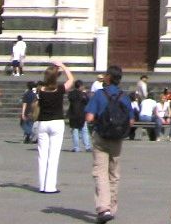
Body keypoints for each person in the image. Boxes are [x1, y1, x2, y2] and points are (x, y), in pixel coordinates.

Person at [85, 65, 130, 224]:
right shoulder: (124, 96)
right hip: (117, 139)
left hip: (101, 137)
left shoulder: (99, 94)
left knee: (100, 172)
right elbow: (130, 120)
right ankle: (112, 207)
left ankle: (104, 208)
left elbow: (89, 118)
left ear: (109, 77)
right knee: (114, 174)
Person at [34, 61, 75, 194]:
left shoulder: (41, 90)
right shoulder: (60, 90)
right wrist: (63, 66)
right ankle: (50, 186)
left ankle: (42, 185)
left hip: (43, 123)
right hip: (57, 122)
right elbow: (71, 79)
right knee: (53, 155)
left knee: (42, 155)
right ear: (57, 77)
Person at [68, 79, 93, 152]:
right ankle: (87, 146)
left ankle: (76, 147)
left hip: (73, 114)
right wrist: (85, 93)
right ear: (80, 86)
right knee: (84, 130)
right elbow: (87, 101)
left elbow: (70, 99)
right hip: (82, 114)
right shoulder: (83, 94)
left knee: (75, 131)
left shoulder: (71, 93)